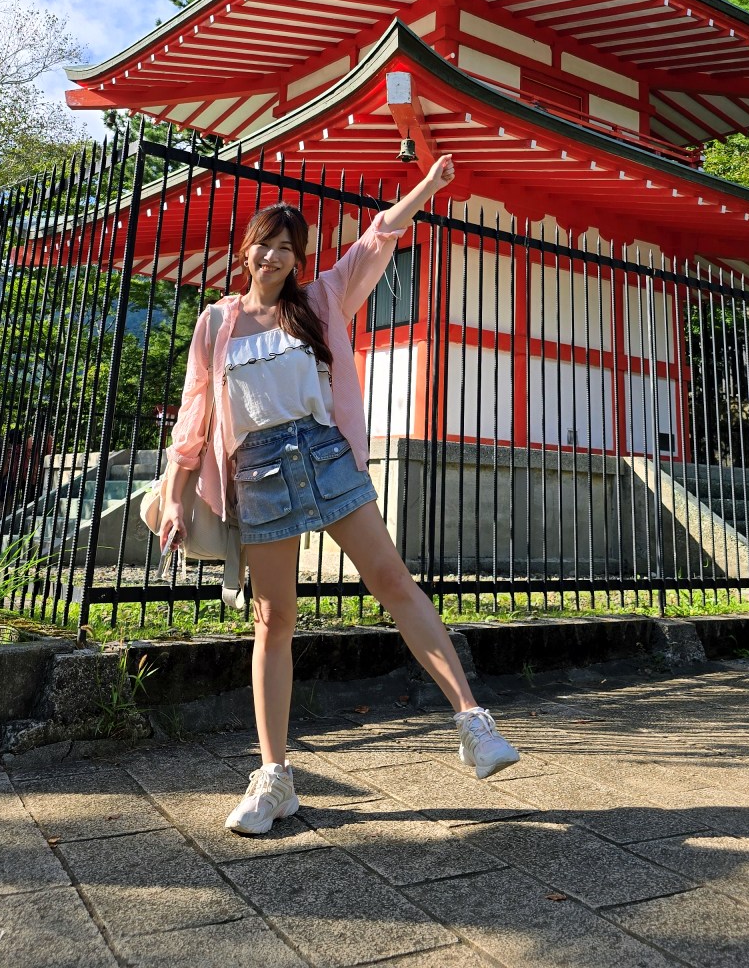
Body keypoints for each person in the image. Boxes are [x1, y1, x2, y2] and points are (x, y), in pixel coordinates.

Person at [158, 153, 520, 836]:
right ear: (247, 249)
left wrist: (428, 189)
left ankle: (473, 722)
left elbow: (377, 236)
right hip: (258, 470)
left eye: (287, 248)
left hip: (323, 454)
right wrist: (178, 493)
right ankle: (274, 778)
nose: (272, 255)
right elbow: (194, 416)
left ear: (298, 260)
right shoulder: (216, 324)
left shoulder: (320, 302)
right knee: (274, 620)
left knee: (392, 579)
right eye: (265, 242)